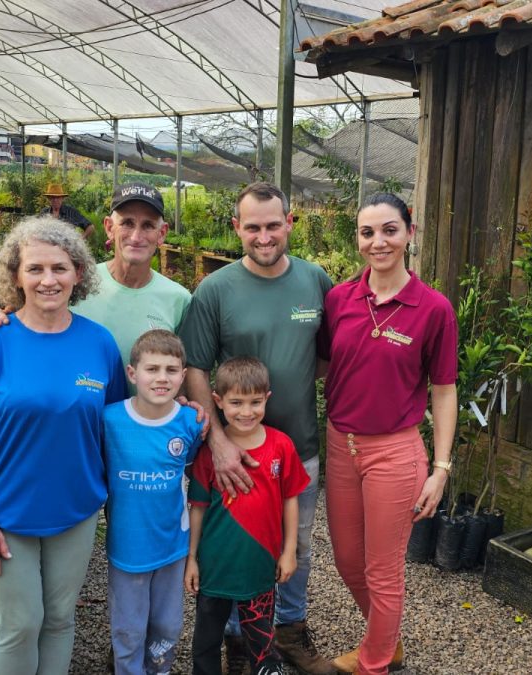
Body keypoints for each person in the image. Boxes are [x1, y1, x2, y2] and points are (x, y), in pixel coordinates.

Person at [0, 215, 125, 675]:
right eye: (35, 269)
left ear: (78, 274)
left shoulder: (99, 344)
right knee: (20, 624)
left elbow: (118, 426)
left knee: (59, 620)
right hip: (7, 516)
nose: (48, 280)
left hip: (75, 513)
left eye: (59, 268)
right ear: (15, 276)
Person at [180, 182, 335, 675]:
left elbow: (327, 355)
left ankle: (288, 630)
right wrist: (220, 442)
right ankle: (238, 640)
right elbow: (197, 368)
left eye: (273, 225)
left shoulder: (316, 281)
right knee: (236, 545)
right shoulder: (215, 290)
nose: (264, 236)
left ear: (290, 223)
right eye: (253, 227)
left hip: (298, 447)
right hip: (236, 455)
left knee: (296, 544)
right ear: (237, 229)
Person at [317, 193, 457, 675]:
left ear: (409, 234)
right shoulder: (339, 299)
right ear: (358, 239)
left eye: (389, 230)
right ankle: (387, 640)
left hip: (394, 453)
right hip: (340, 445)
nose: (378, 242)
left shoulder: (433, 309)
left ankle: (375, 662)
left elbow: (443, 390)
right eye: (367, 232)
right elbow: (321, 364)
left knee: (382, 570)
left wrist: (441, 468)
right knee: (348, 562)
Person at [0, 182, 191, 377]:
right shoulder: (73, 282)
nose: (136, 237)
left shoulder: (179, 299)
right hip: (78, 409)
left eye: (148, 226)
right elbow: (25, 319)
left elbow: (184, 369)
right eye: (127, 223)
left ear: (162, 233)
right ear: (109, 228)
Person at [185, 357, 308, 675]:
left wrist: (289, 551)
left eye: (255, 402)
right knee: (206, 644)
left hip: (260, 569)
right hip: (214, 569)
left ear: (267, 398)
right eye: (236, 402)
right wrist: (192, 558)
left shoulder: (281, 446)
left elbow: (291, 499)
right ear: (218, 401)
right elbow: (197, 507)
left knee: (262, 645)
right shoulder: (209, 453)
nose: (246, 411)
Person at [103, 328, 203, 675]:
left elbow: (191, 467)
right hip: (127, 547)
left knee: (168, 625)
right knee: (128, 627)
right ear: (133, 374)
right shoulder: (110, 419)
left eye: (171, 370)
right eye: (152, 369)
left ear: (183, 376)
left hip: (172, 546)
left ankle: (159, 669)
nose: (162, 378)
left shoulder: (191, 422)